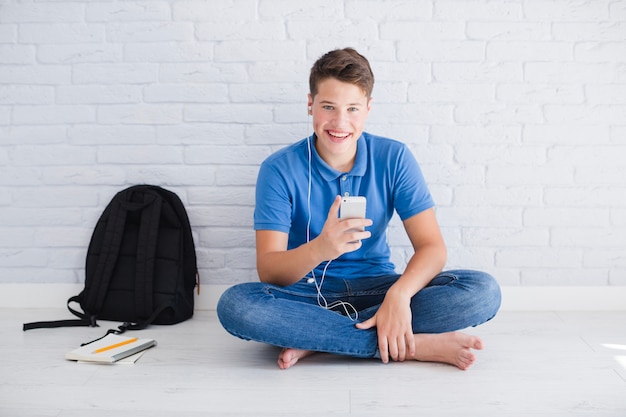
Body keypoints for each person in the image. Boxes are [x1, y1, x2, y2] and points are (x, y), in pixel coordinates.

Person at [217, 47, 501, 370]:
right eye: (328, 107)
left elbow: (433, 248)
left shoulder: (394, 158)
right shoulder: (278, 169)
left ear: (368, 108)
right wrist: (321, 249)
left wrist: (399, 296)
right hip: (307, 294)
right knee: (236, 306)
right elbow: (269, 269)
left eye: (352, 108)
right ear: (310, 104)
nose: (340, 122)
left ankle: (318, 339)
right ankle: (409, 345)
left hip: (379, 288)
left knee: (483, 291)